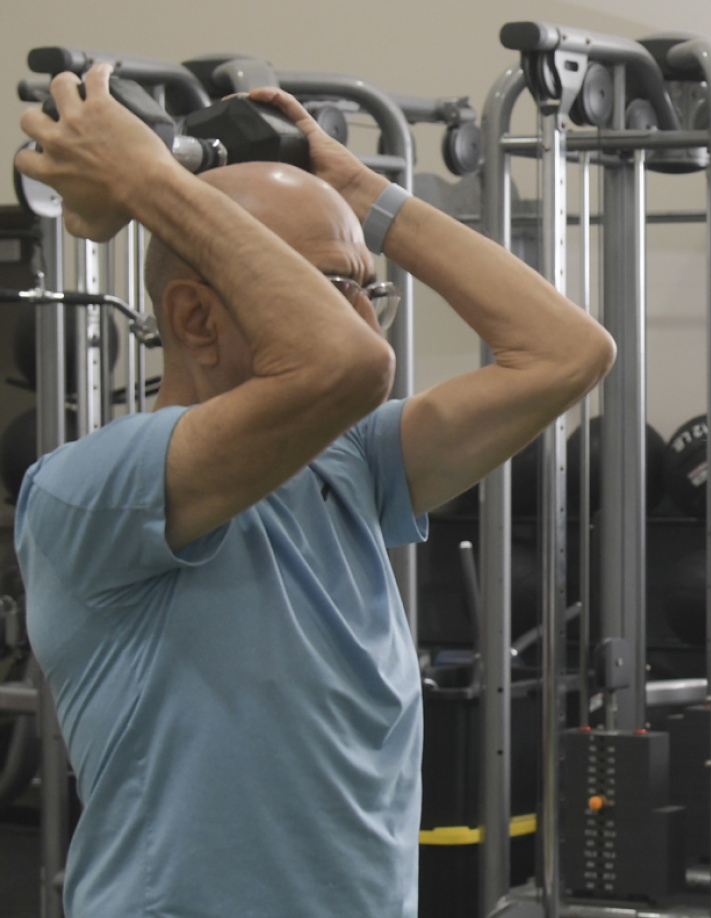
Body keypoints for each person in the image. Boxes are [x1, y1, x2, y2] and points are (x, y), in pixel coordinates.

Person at [13, 64, 614, 918]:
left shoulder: (347, 461)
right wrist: (148, 180)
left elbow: (568, 352)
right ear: (194, 320)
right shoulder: (91, 489)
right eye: (330, 292)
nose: (364, 322)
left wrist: (360, 189)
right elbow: (349, 366)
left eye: (368, 293)